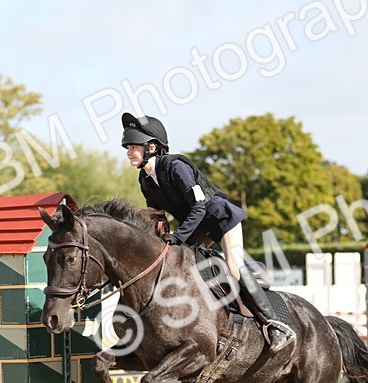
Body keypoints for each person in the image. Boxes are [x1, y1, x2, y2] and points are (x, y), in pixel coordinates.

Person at [121, 112, 295, 351]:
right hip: (196, 224)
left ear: (151, 147)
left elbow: (199, 206)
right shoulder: (146, 179)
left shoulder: (176, 167)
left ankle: (275, 325)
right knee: (182, 265)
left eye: (133, 147)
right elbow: (156, 215)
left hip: (220, 219)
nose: (129, 152)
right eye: (127, 147)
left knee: (234, 267)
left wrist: (179, 237)